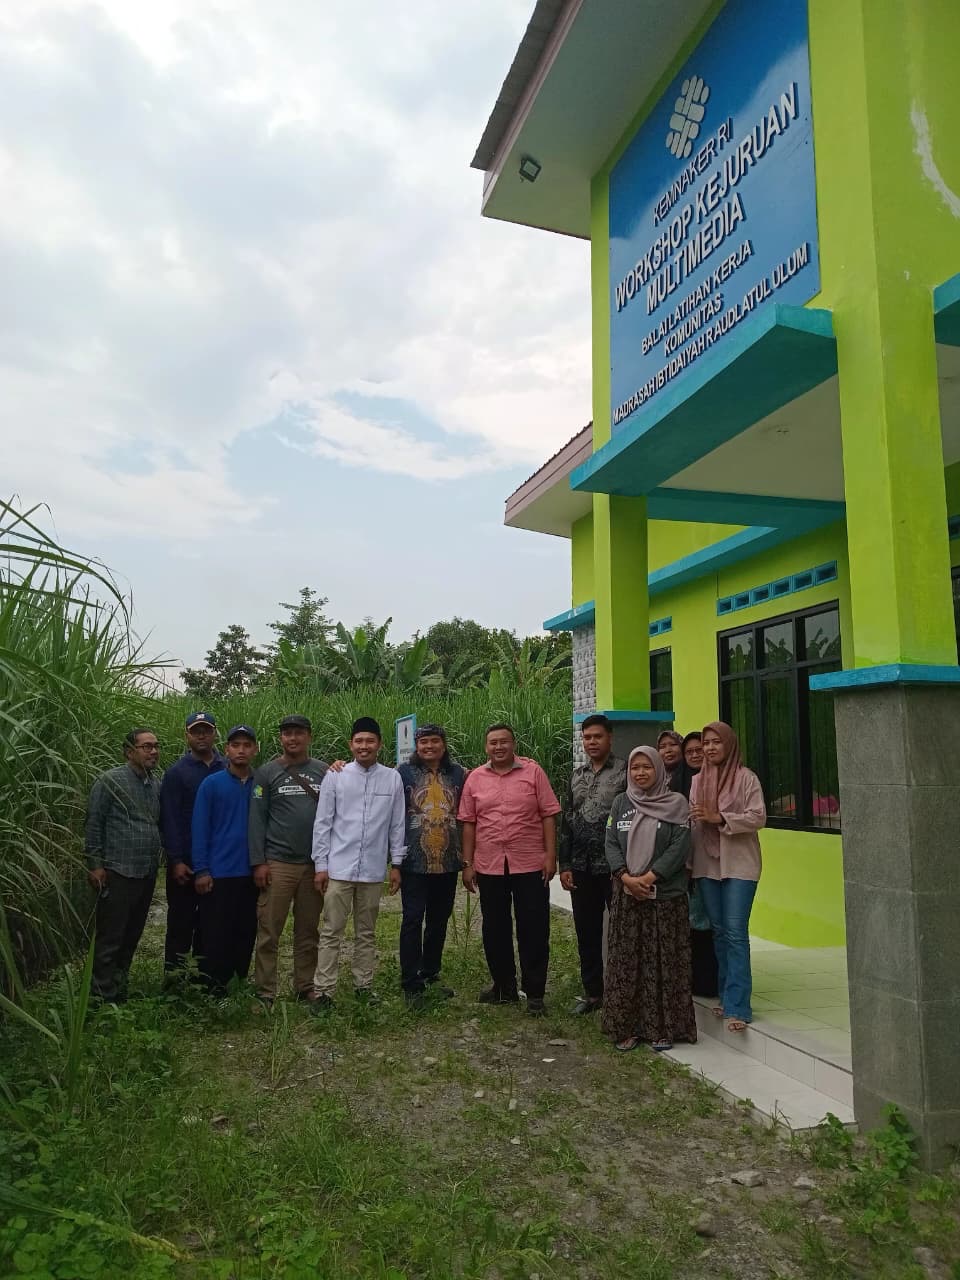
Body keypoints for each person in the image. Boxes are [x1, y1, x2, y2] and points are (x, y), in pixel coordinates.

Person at [458, 723, 560, 1016]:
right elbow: (469, 822)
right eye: (493, 742)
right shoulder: (475, 778)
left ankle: (535, 993)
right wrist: (468, 864)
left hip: (530, 862)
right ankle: (503, 988)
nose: (499, 747)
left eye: (504, 741)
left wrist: (550, 855)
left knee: (534, 927)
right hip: (490, 864)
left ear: (514, 744)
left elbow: (548, 814)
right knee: (494, 928)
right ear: (486, 747)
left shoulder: (533, 772)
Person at [602, 746, 696, 1052]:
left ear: (659, 769)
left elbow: (680, 846)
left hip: (665, 898)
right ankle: (627, 1027)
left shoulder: (676, 804)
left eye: (647, 767)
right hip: (628, 896)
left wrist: (651, 876)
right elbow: (611, 842)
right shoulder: (621, 802)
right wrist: (626, 877)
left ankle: (664, 1029)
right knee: (628, 963)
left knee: (663, 963)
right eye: (635, 767)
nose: (640, 773)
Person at [311, 717, 405, 1007]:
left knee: (366, 932)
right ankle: (324, 991)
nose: (364, 746)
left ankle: (363, 986)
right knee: (331, 931)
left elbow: (397, 824)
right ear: (351, 744)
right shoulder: (336, 776)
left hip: (373, 870)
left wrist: (396, 864)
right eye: (359, 741)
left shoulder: (392, 778)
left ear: (379, 744)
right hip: (339, 868)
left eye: (370, 741)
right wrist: (321, 866)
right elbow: (323, 822)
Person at [690, 721, 766, 1034]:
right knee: (719, 932)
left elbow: (758, 816)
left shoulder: (746, 778)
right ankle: (726, 995)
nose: (709, 748)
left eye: (716, 742)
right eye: (706, 743)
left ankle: (738, 1006)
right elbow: (693, 823)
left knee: (735, 932)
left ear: (729, 744)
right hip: (707, 864)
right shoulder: (697, 781)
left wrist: (720, 817)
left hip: (739, 865)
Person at [249, 715, 330, 1007]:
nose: (292, 738)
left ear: (309, 736)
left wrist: (326, 863)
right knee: (269, 930)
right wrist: (259, 862)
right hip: (278, 863)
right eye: (287, 734)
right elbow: (256, 819)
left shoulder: (324, 771)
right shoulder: (266, 773)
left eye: (298, 733)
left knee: (308, 930)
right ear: (281, 738)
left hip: (313, 865)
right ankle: (265, 991)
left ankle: (305, 986)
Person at [84, 728, 162, 1002]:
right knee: (110, 937)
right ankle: (99, 997)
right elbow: (94, 823)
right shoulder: (110, 781)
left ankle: (118, 988)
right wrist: (95, 865)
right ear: (129, 752)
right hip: (118, 871)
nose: (153, 751)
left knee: (131, 935)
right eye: (146, 746)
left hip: (146, 872)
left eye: (156, 746)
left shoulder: (155, 784)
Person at [558, 714, 626, 1015]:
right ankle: (593, 993)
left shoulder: (626, 772)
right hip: (581, 867)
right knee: (587, 931)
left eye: (598, 736)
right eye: (587, 737)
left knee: (621, 932)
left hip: (614, 868)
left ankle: (623, 992)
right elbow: (567, 821)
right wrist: (565, 864)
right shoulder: (576, 775)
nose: (592, 742)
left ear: (610, 737)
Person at [397, 724, 467, 1004]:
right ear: (417, 746)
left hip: (448, 861)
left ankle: (430, 972)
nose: (429, 746)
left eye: (434, 741)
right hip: (414, 860)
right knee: (413, 919)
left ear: (444, 744)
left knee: (439, 919)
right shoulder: (402, 773)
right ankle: (410, 981)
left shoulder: (459, 773)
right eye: (423, 742)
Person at [191, 725, 258, 994]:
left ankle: (238, 980)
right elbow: (200, 828)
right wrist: (201, 869)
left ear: (255, 749)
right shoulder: (212, 784)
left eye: (247, 745)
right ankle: (212, 986)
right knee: (215, 931)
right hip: (219, 872)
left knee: (245, 930)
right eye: (235, 745)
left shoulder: (261, 783)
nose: (241, 750)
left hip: (251, 872)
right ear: (227, 749)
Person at [159, 712, 225, 974]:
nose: (201, 736)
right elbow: (170, 819)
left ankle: (203, 979)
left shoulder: (227, 767)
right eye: (196, 731)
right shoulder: (177, 773)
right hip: (185, 863)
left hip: (217, 861)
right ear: (186, 735)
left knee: (210, 923)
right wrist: (175, 860)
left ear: (214, 733)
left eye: (206, 730)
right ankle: (174, 980)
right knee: (180, 922)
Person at [681, 730, 719, 999]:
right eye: (690, 751)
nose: (695, 754)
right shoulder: (680, 782)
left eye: (699, 749)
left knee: (715, 924)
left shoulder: (721, 781)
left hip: (718, 863)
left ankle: (714, 982)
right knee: (695, 922)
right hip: (690, 864)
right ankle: (698, 980)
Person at [657, 729, 690, 795]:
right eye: (662, 747)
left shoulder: (693, 775)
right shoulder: (654, 778)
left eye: (673, 744)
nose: (668, 750)